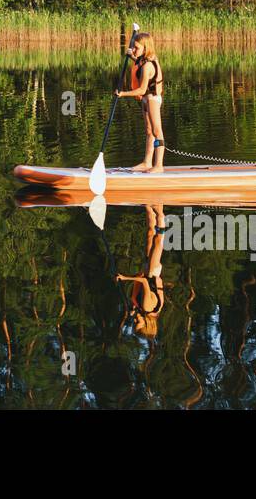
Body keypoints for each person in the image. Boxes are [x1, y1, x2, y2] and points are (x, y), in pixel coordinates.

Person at [114, 32, 165, 173]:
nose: (134, 49)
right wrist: (131, 56)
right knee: (149, 131)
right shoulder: (143, 59)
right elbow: (138, 62)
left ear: (145, 47)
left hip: (152, 98)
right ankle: (147, 163)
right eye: (134, 47)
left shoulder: (148, 65)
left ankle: (159, 165)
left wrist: (123, 93)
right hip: (145, 99)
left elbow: (142, 90)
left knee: (156, 130)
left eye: (136, 47)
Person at [117, 204, 167, 338]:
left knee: (150, 233)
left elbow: (139, 277)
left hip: (147, 271)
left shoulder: (142, 308)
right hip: (152, 271)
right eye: (137, 323)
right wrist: (124, 278)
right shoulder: (147, 308)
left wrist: (133, 304)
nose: (134, 321)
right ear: (147, 323)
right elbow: (144, 281)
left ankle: (148, 208)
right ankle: (160, 213)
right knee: (158, 240)